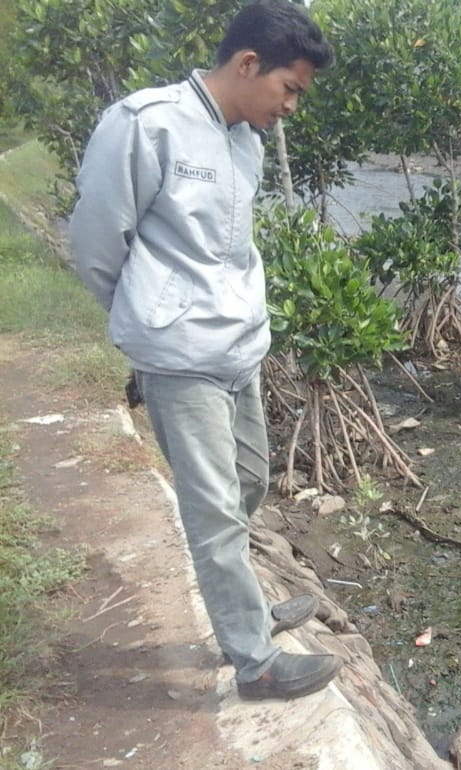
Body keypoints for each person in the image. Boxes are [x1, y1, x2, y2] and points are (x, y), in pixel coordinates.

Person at [69, 1, 339, 701]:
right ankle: (254, 661)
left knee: (249, 482)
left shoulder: (243, 138)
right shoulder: (144, 125)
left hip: (237, 349)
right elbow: (98, 245)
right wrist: (147, 320)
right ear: (248, 63)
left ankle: (244, 601)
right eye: (290, 89)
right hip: (178, 353)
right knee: (214, 505)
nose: (291, 107)